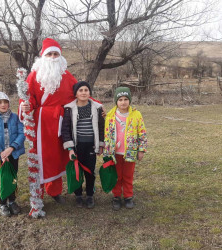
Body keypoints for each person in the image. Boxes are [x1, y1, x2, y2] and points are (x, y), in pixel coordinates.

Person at [19, 38, 78, 204]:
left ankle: (54, 191)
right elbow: (27, 97)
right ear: (43, 56)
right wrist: (25, 106)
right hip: (40, 124)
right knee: (41, 157)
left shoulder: (66, 76)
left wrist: (96, 107)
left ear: (60, 56)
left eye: (56, 54)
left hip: (60, 123)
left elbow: (80, 93)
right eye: (50, 54)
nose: (53, 57)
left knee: (57, 157)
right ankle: (38, 192)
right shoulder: (34, 75)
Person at [61, 81, 105, 209]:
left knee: (90, 171)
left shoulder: (97, 108)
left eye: (86, 90)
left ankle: (90, 195)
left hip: (91, 145)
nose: (84, 92)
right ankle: (78, 195)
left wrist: (101, 144)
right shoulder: (69, 109)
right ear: (75, 94)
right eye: (80, 90)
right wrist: (70, 148)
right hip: (77, 146)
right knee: (77, 171)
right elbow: (65, 129)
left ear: (90, 93)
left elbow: (101, 127)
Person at [103, 87, 147, 210]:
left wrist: (141, 150)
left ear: (129, 100)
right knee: (116, 175)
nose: (123, 102)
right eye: (120, 99)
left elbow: (142, 133)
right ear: (116, 101)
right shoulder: (110, 115)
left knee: (128, 175)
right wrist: (108, 151)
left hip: (130, 152)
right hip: (115, 152)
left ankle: (128, 196)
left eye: (126, 99)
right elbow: (107, 134)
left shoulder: (136, 114)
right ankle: (116, 196)